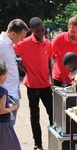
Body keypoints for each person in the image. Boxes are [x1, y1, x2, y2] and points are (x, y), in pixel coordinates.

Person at [13, 17, 53, 150]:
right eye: (38, 31)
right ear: (31, 31)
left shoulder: (48, 43)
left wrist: (51, 79)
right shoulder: (24, 43)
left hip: (46, 86)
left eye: (42, 30)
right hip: (32, 86)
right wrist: (24, 69)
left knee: (53, 114)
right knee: (34, 117)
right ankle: (38, 144)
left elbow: (49, 62)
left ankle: (55, 140)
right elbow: (10, 52)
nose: (41, 33)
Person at [0, 19, 29, 126]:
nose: (22, 40)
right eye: (21, 37)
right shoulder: (2, 44)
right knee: (7, 128)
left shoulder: (8, 44)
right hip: (7, 94)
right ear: (12, 33)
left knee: (10, 127)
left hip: (12, 93)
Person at [52, 15, 77, 87]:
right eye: (72, 31)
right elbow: (51, 55)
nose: (75, 34)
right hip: (59, 80)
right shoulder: (58, 39)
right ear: (68, 28)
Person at [0, 61, 21, 150]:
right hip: (3, 125)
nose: (6, 77)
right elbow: (1, 110)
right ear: (1, 76)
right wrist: (13, 108)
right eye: (6, 75)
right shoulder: (3, 91)